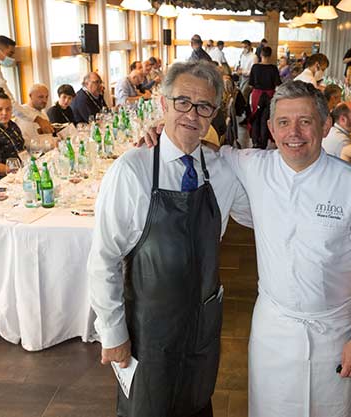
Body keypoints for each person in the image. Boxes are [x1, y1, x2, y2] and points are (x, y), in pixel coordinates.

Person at [88, 60, 252, 417]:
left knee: (197, 403)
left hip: (202, 325)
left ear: (213, 115)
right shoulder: (132, 169)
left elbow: (262, 215)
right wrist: (113, 333)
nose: (192, 114)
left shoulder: (221, 171)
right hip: (149, 330)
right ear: (163, 104)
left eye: (204, 106)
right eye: (182, 102)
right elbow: (103, 259)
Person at [218, 80, 351, 417]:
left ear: (325, 126)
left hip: (336, 332)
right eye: (283, 122)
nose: (293, 132)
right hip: (274, 329)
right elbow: (207, 149)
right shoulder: (254, 165)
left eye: (305, 121)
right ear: (270, 128)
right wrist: (157, 132)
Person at [16, 83, 56, 152]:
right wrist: (50, 146)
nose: (45, 100)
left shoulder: (42, 112)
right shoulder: (23, 114)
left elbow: (48, 136)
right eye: (40, 97)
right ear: (30, 96)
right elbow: (26, 144)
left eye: (46, 97)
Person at [249, 46, 281, 119]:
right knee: (268, 116)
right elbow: (278, 83)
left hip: (257, 93)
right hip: (270, 94)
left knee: (255, 115)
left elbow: (251, 84)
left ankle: (254, 129)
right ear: (270, 55)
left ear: (261, 54)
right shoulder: (273, 68)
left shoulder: (255, 67)